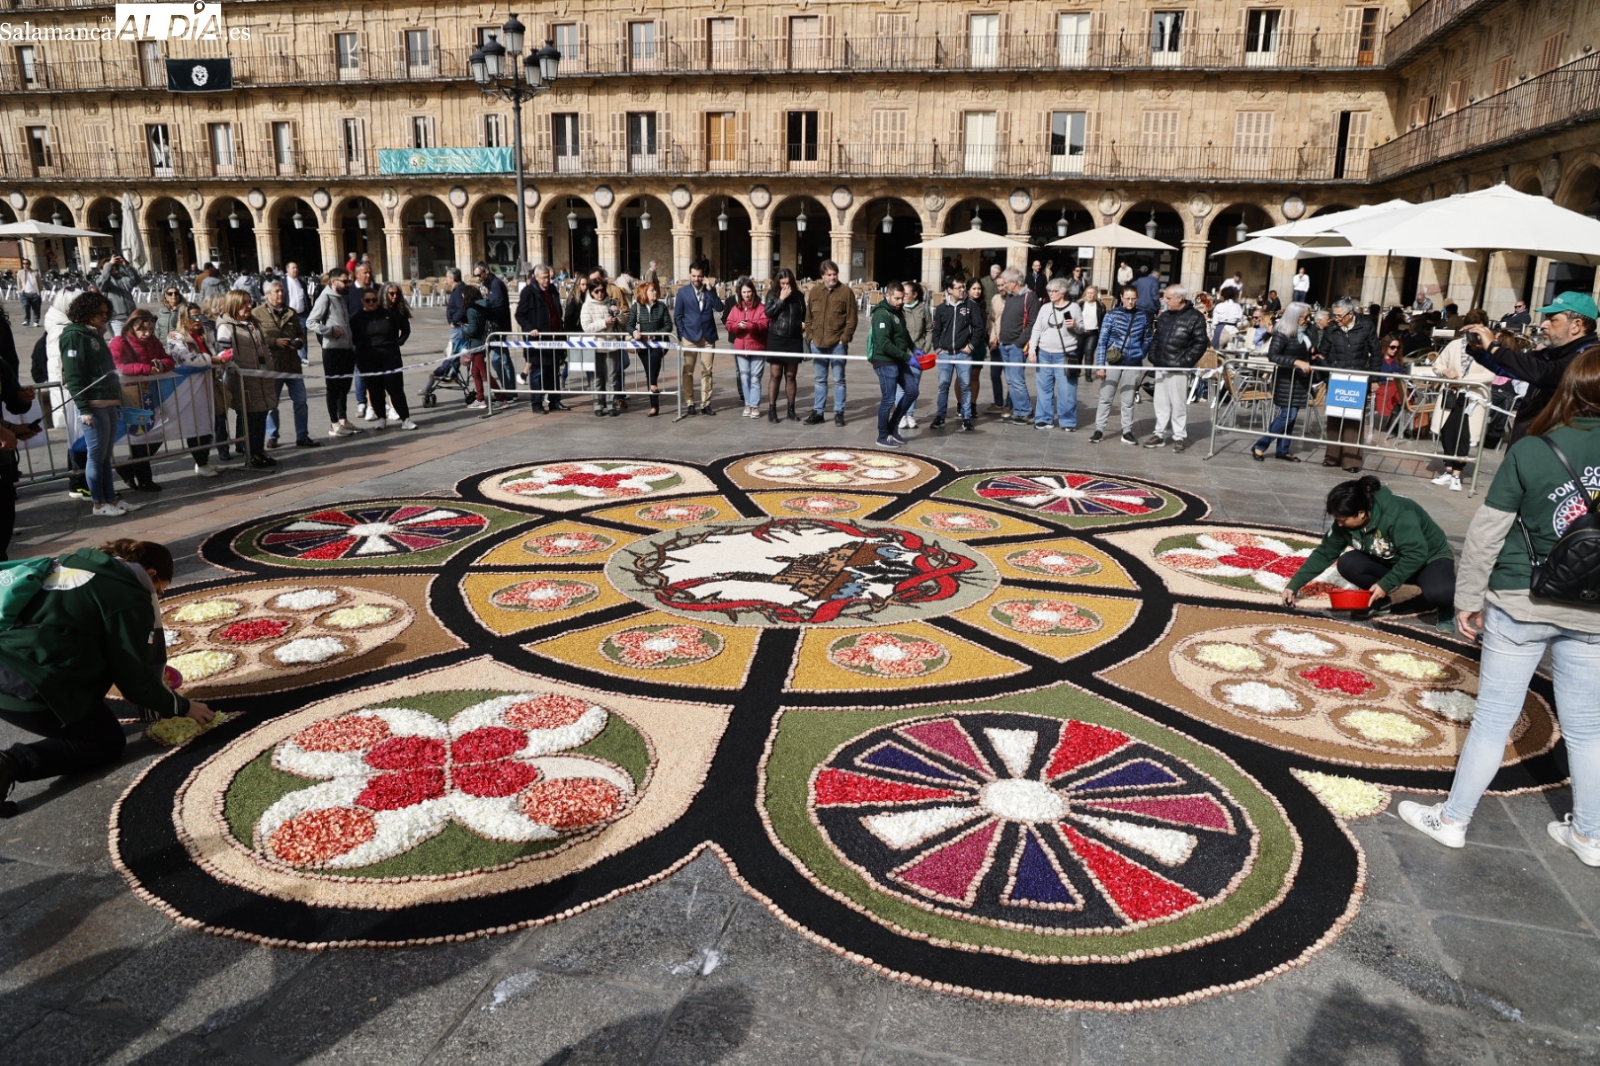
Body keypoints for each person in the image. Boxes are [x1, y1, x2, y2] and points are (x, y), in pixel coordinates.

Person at [1398, 350, 1600, 861]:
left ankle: (1453, 819)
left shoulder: (1533, 449)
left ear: (1568, 388)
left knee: (1493, 718)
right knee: (1587, 727)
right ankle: (1590, 834)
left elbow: (1489, 533)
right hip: (1594, 609)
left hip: (1521, 597)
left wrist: (1467, 600)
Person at [0, 539, 216, 812]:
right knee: (105, 743)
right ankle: (10, 763)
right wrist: (184, 706)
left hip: (13, 660)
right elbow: (135, 684)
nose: (157, 597)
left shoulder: (78, 562)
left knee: (94, 716)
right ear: (150, 575)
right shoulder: (127, 595)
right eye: (160, 590)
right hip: (25, 684)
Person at [1281, 475, 1456, 625]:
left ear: (1362, 513)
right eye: (1337, 520)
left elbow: (1416, 555)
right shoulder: (1345, 522)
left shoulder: (1399, 514)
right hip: (1391, 559)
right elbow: (1325, 552)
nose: (1339, 524)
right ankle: (1382, 602)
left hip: (1429, 560)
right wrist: (1294, 585)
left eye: (1343, 519)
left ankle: (1439, 605)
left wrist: (1385, 584)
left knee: (1442, 593)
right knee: (1348, 563)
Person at [1468, 292, 1599, 443]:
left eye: (1552, 319)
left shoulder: (1590, 359)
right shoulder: (1552, 354)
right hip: (1528, 446)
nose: (1544, 324)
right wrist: (1479, 350)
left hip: (1555, 454)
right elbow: (1511, 369)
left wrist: (1494, 347)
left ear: (1576, 325)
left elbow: (1545, 374)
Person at [60, 293, 130, 517]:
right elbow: (73, 374)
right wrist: (83, 408)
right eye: (99, 313)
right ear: (86, 312)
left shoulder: (95, 334)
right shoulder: (74, 336)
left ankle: (111, 498)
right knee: (96, 456)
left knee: (106, 456)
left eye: (106, 313)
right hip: (94, 403)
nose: (104, 317)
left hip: (108, 400)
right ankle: (98, 503)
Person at [1428, 309, 1498, 491]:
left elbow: (1490, 375)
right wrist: (1446, 372)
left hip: (1473, 398)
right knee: (1447, 433)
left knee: (1464, 436)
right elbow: (1438, 364)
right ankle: (1449, 470)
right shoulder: (1454, 345)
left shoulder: (1489, 349)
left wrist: (1463, 381)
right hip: (1451, 396)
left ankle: (1457, 474)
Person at [108, 312, 174, 493]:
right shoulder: (119, 342)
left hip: (151, 392)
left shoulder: (153, 341)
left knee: (158, 433)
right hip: (131, 393)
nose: (146, 333)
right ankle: (145, 479)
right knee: (139, 436)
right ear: (131, 326)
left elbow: (168, 359)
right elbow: (118, 366)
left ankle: (129, 468)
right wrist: (146, 369)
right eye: (142, 329)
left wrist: (162, 364)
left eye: (150, 330)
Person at [1318, 297, 1381, 471]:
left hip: (1358, 378)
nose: (1336, 319)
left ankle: (1351, 461)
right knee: (1335, 417)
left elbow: (1376, 353)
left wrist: (1375, 378)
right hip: (1337, 377)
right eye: (1334, 315)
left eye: (1339, 316)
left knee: (1353, 420)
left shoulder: (1366, 326)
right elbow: (1322, 353)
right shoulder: (1332, 329)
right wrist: (1327, 373)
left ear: (1351, 313)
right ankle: (1331, 457)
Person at [215, 290, 277, 467]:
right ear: (234, 304)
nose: (249, 306)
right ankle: (251, 452)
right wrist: (235, 367)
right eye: (244, 303)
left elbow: (264, 348)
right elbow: (223, 354)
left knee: (262, 414)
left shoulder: (254, 324)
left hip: (262, 378)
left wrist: (269, 364)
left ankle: (259, 450)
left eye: (250, 302)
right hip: (244, 380)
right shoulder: (226, 327)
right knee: (250, 418)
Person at [159, 302, 220, 479]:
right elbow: (185, 358)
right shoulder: (175, 336)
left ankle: (204, 460)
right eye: (194, 316)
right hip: (188, 388)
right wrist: (213, 359)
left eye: (200, 315)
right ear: (184, 318)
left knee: (210, 424)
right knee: (195, 426)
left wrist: (221, 359)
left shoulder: (206, 333)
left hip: (208, 384)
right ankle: (200, 462)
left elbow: (217, 350)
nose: (198, 319)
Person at [1142, 284, 1207, 451]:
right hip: (1161, 365)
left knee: (1178, 403)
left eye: (1169, 298)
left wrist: (1184, 361)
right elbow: (1156, 339)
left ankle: (1179, 436)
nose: (1165, 301)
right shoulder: (1164, 317)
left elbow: (1200, 344)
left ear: (1180, 298)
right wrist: (1154, 356)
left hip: (1179, 367)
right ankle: (1159, 433)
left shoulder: (1195, 317)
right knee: (1160, 402)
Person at [1252, 302, 1319, 462]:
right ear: (1295, 317)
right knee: (1288, 415)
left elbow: (1305, 352)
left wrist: (1312, 358)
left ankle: (1283, 449)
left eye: (1309, 316)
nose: (1308, 319)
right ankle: (1261, 445)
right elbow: (1273, 355)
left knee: (1291, 416)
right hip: (1287, 380)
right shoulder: (1282, 332)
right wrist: (1296, 361)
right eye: (1305, 316)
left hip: (1300, 380)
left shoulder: (1305, 331)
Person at [255, 280, 316, 450]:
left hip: (292, 365)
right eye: (277, 291)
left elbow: (300, 334)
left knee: (301, 402)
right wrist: (275, 341)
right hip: (273, 366)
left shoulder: (291, 312)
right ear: (267, 294)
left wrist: (298, 342)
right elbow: (256, 338)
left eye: (282, 291)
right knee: (271, 405)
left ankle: (302, 436)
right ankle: (273, 436)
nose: (280, 294)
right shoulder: (257, 313)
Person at [349, 285, 416, 430]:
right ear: (362, 301)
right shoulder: (357, 319)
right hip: (368, 359)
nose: (372, 303)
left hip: (390, 357)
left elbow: (402, 329)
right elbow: (353, 339)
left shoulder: (388, 314)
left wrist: (398, 342)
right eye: (368, 300)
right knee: (375, 389)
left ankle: (405, 419)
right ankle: (381, 418)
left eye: (374, 300)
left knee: (396, 389)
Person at [1091, 286, 1151, 445]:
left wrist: (1141, 352)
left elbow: (1148, 338)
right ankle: (1099, 429)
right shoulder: (1111, 315)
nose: (1130, 301)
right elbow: (1102, 341)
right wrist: (1100, 366)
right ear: (1121, 297)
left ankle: (1127, 431)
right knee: (1106, 397)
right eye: (1128, 298)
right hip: (1113, 361)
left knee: (1128, 399)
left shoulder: (1142, 316)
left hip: (1133, 362)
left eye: (1133, 298)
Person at [306, 268, 360, 437]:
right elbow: (311, 322)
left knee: (344, 386)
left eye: (349, 281)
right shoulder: (325, 297)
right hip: (332, 350)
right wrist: (329, 330)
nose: (348, 284)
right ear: (334, 281)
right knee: (333, 388)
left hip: (346, 349)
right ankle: (334, 424)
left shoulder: (341, 298)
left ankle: (343, 419)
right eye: (345, 281)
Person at [803, 261, 856, 426]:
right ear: (822, 276)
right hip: (817, 343)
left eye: (835, 274)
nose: (833, 277)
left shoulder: (846, 292)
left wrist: (844, 339)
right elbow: (809, 316)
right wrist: (810, 336)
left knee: (839, 379)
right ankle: (818, 412)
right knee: (820, 379)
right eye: (829, 274)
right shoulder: (814, 292)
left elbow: (852, 319)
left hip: (837, 344)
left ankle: (839, 412)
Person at [1027, 277, 1082, 432]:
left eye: (1054, 291)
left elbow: (1082, 329)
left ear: (1063, 292)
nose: (1050, 293)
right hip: (1044, 353)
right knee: (1043, 388)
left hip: (1065, 355)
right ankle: (1044, 419)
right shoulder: (1045, 307)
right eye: (1049, 290)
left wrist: (1076, 325)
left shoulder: (1074, 308)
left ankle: (1068, 422)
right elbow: (1037, 329)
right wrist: (1032, 349)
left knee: (1067, 390)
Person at [868, 282, 916, 448]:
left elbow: (904, 334)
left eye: (902, 298)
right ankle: (882, 435)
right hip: (885, 361)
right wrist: (908, 357)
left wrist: (915, 349)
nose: (900, 301)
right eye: (897, 298)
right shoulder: (882, 315)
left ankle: (893, 427)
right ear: (887, 296)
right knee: (888, 399)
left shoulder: (898, 312)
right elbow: (884, 344)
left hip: (899, 359)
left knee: (912, 391)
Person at [515, 264, 568, 412]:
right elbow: (520, 314)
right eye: (544, 278)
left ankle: (554, 401)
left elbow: (557, 311)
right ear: (536, 277)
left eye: (549, 277)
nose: (547, 280)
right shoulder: (528, 292)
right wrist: (530, 327)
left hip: (554, 338)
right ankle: (537, 403)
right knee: (537, 372)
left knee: (554, 371)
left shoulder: (552, 290)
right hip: (538, 340)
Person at [673, 265, 723, 416]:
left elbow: (719, 308)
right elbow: (678, 316)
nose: (697, 279)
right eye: (694, 276)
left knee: (707, 371)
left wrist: (712, 290)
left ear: (704, 276)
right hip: (690, 337)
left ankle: (705, 403)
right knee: (688, 371)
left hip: (708, 337)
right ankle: (689, 402)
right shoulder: (682, 293)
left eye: (699, 276)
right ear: (690, 275)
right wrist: (682, 334)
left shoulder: (709, 291)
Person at [996, 268, 1041, 425]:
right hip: (1005, 344)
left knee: (1017, 379)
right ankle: (1018, 409)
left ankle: (1026, 412)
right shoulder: (1010, 296)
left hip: (1016, 345)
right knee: (1010, 380)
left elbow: (1033, 322)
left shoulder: (1030, 296)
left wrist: (1019, 342)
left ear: (1014, 283)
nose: (1003, 286)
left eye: (1006, 282)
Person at [929, 276, 975, 431]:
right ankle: (940, 416)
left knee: (966, 385)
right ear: (949, 290)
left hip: (963, 353)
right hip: (945, 354)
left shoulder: (970, 306)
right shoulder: (942, 308)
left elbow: (979, 328)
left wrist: (971, 345)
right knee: (943, 385)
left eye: (963, 287)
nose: (962, 290)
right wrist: (937, 348)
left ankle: (966, 417)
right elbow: (936, 330)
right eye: (959, 287)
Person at [763, 268, 806, 423]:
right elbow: (768, 313)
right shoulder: (772, 294)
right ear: (778, 283)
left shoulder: (799, 296)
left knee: (790, 376)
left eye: (788, 283)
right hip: (777, 337)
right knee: (775, 375)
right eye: (782, 283)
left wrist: (803, 325)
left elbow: (804, 314)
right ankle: (772, 410)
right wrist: (781, 299)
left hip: (793, 338)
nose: (786, 286)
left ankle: (791, 410)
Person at [625, 280, 672, 417]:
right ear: (644, 293)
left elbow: (668, 325)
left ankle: (652, 385)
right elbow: (629, 325)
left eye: (655, 290)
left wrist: (655, 334)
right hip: (643, 345)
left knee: (654, 361)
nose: (655, 292)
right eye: (652, 290)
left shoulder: (661, 307)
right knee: (650, 371)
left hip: (659, 343)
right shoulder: (636, 307)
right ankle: (654, 406)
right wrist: (634, 332)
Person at [726, 278, 769, 419]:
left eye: (749, 291)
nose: (746, 295)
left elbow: (764, 324)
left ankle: (755, 405)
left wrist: (752, 325)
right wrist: (738, 325)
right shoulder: (736, 308)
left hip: (757, 347)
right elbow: (729, 324)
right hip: (741, 348)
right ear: (740, 293)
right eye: (744, 292)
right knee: (744, 377)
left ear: (753, 291)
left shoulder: (761, 308)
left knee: (755, 377)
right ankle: (748, 404)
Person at [580, 278, 623, 417]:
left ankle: (611, 404)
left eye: (602, 291)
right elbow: (587, 327)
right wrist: (604, 322)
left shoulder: (610, 303)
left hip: (611, 344)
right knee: (596, 377)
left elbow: (623, 323)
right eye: (596, 291)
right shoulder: (587, 306)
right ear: (591, 292)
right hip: (595, 346)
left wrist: (618, 313)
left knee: (612, 376)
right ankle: (597, 404)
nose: (599, 294)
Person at [897, 281, 933, 430]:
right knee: (900, 387)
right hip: (900, 354)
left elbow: (929, 330)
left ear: (915, 294)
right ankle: (900, 416)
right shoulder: (898, 309)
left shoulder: (923, 309)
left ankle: (910, 414)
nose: (903, 297)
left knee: (913, 386)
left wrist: (924, 348)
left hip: (917, 354)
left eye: (906, 294)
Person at [456, 284, 491, 409]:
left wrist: (464, 329)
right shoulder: (482, 306)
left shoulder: (471, 310)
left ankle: (500, 398)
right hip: (481, 342)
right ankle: (480, 398)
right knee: (475, 372)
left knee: (484, 374)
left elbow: (473, 330)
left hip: (477, 344)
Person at [97, 254, 141, 337]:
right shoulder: (102, 282)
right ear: (101, 270)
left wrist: (126, 265)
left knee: (135, 341)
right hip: (116, 318)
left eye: (113, 266)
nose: (111, 267)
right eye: (108, 267)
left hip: (132, 316)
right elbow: (103, 282)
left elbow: (136, 279)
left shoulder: (123, 279)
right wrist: (109, 264)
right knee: (120, 342)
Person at [284, 262, 311, 361]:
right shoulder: (283, 282)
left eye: (296, 267)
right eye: (293, 268)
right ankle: (292, 356)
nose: (295, 270)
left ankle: (303, 357)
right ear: (287, 270)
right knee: (289, 335)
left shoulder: (301, 282)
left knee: (302, 335)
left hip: (302, 314)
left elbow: (306, 298)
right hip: (288, 314)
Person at [16, 259, 41, 327]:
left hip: (34, 293)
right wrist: (20, 290)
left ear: (29, 264)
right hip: (24, 293)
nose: (25, 265)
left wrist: (39, 291)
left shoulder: (35, 273)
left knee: (36, 308)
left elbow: (39, 282)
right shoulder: (20, 272)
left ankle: (36, 321)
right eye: (24, 263)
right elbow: (18, 283)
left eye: (27, 263)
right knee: (25, 306)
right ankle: (26, 320)